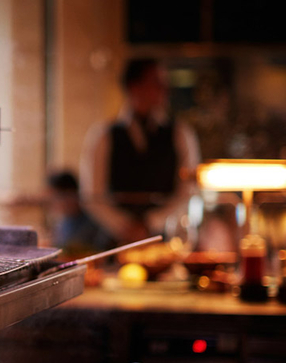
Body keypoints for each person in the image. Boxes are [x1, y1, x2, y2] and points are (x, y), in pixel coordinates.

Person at [79, 58, 200, 244]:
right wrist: (124, 226)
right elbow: (92, 196)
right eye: (157, 83)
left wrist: (151, 224)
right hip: (115, 243)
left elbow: (187, 192)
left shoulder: (181, 134)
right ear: (133, 86)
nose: (164, 89)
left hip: (165, 240)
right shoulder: (103, 135)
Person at [47, 171, 113, 253]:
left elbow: (100, 251)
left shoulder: (94, 220)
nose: (52, 203)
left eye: (55, 197)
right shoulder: (62, 222)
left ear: (70, 194)